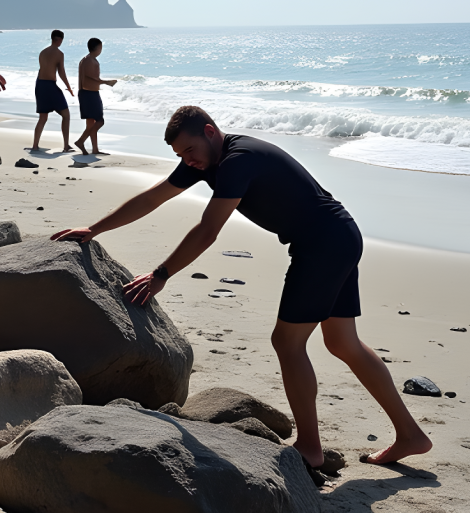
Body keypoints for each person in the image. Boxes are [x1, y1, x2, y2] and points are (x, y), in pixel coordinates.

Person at [52, 106, 432, 468]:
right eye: (180, 154)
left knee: (288, 342)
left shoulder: (237, 160)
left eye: (189, 150)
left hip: (324, 245)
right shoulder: (205, 160)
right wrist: (95, 228)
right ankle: (410, 435)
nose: (187, 160)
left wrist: (161, 274)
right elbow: (155, 196)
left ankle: (311, 448)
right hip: (338, 236)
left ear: (211, 133)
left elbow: (208, 229)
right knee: (343, 343)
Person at [32, 30, 75, 153]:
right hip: (50, 86)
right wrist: (69, 87)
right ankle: (66, 146)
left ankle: (35, 145)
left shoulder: (43, 52)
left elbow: (44, 69)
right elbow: (61, 72)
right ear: (60, 39)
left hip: (40, 84)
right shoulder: (59, 54)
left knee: (43, 117)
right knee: (66, 115)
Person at [75, 38, 117, 156]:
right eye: (101, 47)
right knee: (100, 121)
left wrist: (103, 82)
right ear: (97, 48)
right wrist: (106, 82)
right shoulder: (88, 60)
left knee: (91, 123)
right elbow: (89, 77)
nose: (101, 50)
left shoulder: (91, 60)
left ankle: (94, 149)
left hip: (90, 93)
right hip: (88, 94)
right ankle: (81, 141)